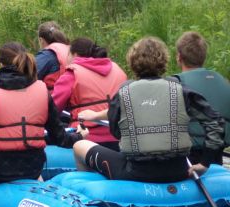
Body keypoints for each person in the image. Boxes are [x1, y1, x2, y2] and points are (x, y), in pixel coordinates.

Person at [73, 37, 224, 183]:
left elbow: (116, 132)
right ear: (163, 61)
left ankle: (89, 195)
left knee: (79, 146)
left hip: (135, 172)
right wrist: (205, 163)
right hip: (178, 171)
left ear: (132, 63)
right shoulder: (183, 91)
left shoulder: (123, 93)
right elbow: (215, 123)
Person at [0, 42, 88, 184]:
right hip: (33, 168)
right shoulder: (43, 91)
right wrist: (79, 136)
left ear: (0, 64)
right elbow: (60, 138)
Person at [52, 37, 127, 150]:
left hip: (86, 139)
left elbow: (52, 108)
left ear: (75, 55)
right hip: (120, 138)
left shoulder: (71, 74)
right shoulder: (118, 70)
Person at [174, 31, 230, 165]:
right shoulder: (222, 80)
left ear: (179, 57)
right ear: (204, 57)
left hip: (189, 157)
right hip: (217, 151)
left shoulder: (175, 83)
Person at [35, 21, 70, 90]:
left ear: (41, 40)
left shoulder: (47, 55)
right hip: (72, 95)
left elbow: (26, 77)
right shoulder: (71, 50)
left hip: (54, 98)